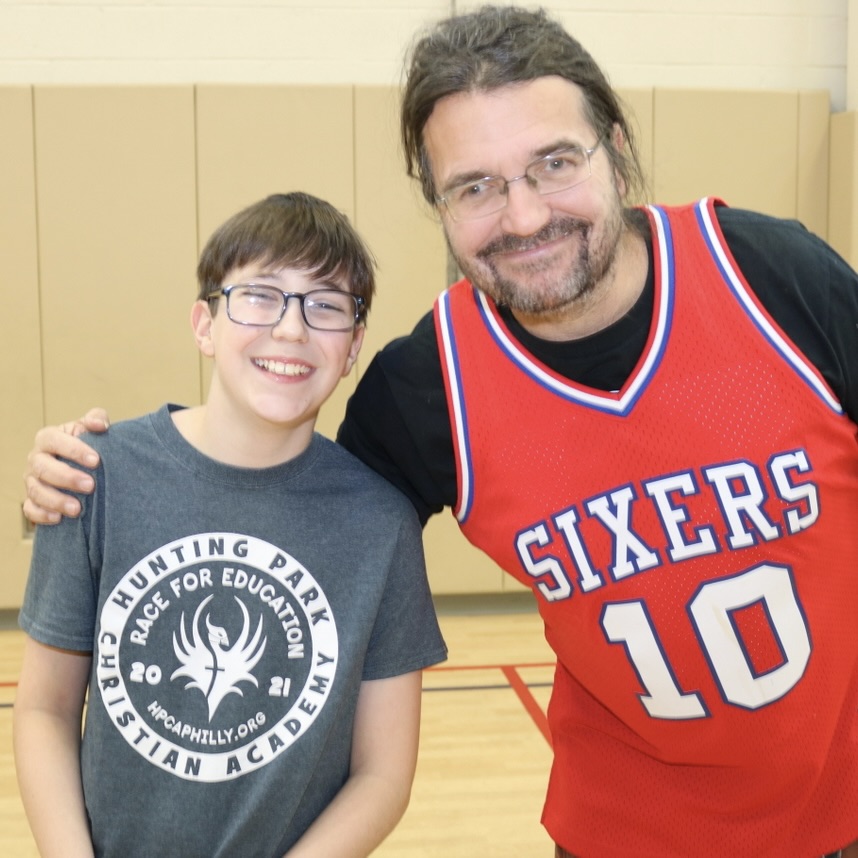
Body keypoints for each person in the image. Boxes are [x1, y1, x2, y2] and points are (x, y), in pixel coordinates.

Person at [19, 5, 858, 857]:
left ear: (614, 144)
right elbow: (282, 515)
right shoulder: (425, 391)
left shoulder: (771, 275)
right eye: (476, 187)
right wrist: (94, 475)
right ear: (438, 203)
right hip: (624, 832)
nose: (524, 216)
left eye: (554, 163)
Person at [14, 191, 447, 858]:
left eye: (326, 305)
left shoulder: (381, 524)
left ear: (355, 346)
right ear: (204, 323)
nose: (291, 330)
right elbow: (43, 709)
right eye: (260, 295)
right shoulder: (93, 477)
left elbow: (383, 775)